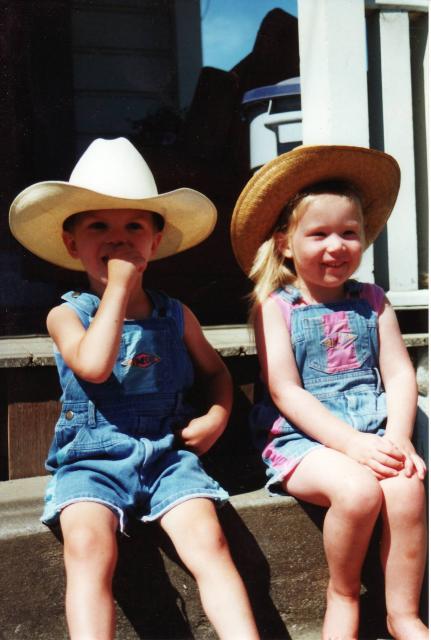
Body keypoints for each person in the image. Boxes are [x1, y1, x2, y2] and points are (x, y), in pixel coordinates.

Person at [9, 137, 259, 640]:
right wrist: (119, 290)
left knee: (208, 539)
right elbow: (95, 367)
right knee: (87, 544)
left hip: (167, 457)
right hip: (91, 463)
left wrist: (217, 415)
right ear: (71, 244)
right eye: (99, 226)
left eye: (134, 227)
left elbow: (215, 373)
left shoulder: (175, 314)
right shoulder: (67, 314)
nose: (118, 239)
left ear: (155, 242)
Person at [230, 145, 428, 640]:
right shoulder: (275, 306)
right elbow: (285, 390)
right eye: (318, 234)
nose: (335, 245)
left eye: (349, 233)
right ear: (285, 243)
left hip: (375, 429)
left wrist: (399, 438)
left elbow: (401, 374)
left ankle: (402, 614)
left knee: (405, 491)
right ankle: (343, 596)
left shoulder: (373, 301)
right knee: (359, 493)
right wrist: (352, 444)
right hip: (303, 438)